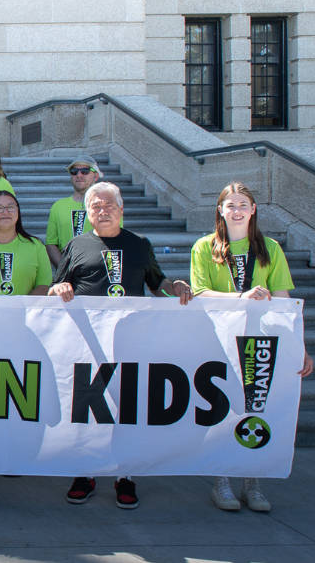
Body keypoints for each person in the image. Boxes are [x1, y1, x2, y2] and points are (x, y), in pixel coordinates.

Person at [49, 181, 194, 511]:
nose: (102, 211)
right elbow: (56, 288)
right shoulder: (77, 244)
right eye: (95, 207)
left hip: (130, 341)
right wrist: (60, 289)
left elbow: (157, 285)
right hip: (86, 344)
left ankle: (124, 475)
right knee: (88, 411)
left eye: (108, 205)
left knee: (126, 409)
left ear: (121, 208)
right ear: (87, 213)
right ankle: (84, 473)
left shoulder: (140, 244)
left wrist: (177, 285)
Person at [190, 182, 313, 512]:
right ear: (220, 210)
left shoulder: (270, 248)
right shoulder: (205, 247)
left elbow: (285, 300)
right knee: (223, 409)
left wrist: (298, 346)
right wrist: (240, 298)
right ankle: (222, 480)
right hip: (220, 342)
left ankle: (252, 481)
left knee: (255, 409)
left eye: (243, 204)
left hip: (261, 343)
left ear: (253, 209)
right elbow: (199, 293)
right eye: (230, 205)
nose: (237, 210)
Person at [0, 191, 51, 296]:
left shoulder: (36, 246)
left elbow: (44, 286)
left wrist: (22, 308)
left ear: (18, 211)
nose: (5, 212)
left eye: (10, 207)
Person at [46, 155, 104, 268]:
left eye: (85, 171)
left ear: (96, 176)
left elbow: (115, 240)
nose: (79, 175)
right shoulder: (58, 207)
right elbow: (51, 243)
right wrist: (64, 270)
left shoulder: (107, 206)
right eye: (74, 171)